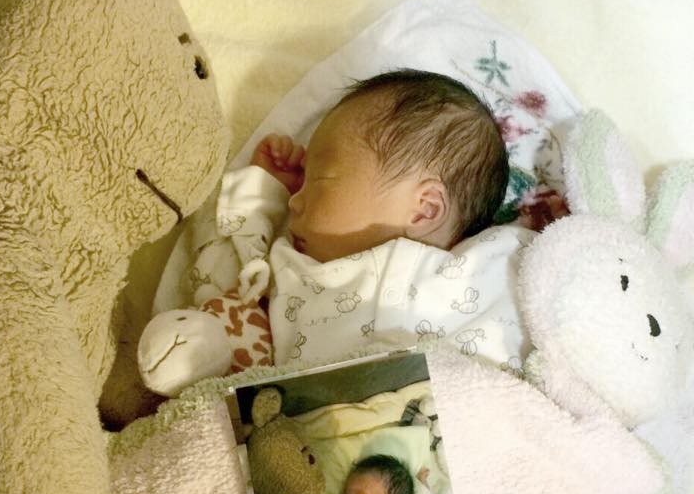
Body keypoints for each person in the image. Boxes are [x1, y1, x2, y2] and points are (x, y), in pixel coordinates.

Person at [217, 68, 531, 367]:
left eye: (320, 179)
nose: (294, 202)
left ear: (426, 209)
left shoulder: (498, 260)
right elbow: (233, 271)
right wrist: (266, 188)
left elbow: (556, 286)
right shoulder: (293, 270)